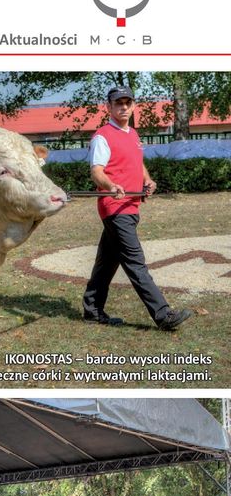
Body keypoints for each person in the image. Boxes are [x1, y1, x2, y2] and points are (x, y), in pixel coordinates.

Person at [82, 87, 191, 332]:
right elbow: (97, 171)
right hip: (115, 207)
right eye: (117, 103)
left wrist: (147, 181)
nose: (123, 107)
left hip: (131, 205)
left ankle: (92, 310)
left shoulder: (132, 134)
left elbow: (137, 163)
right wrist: (111, 185)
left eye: (127, 102)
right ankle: (163, 315)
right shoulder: (103, 136)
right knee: (136, 262)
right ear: (108, 107)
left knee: (106, 263)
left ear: (133, 106)